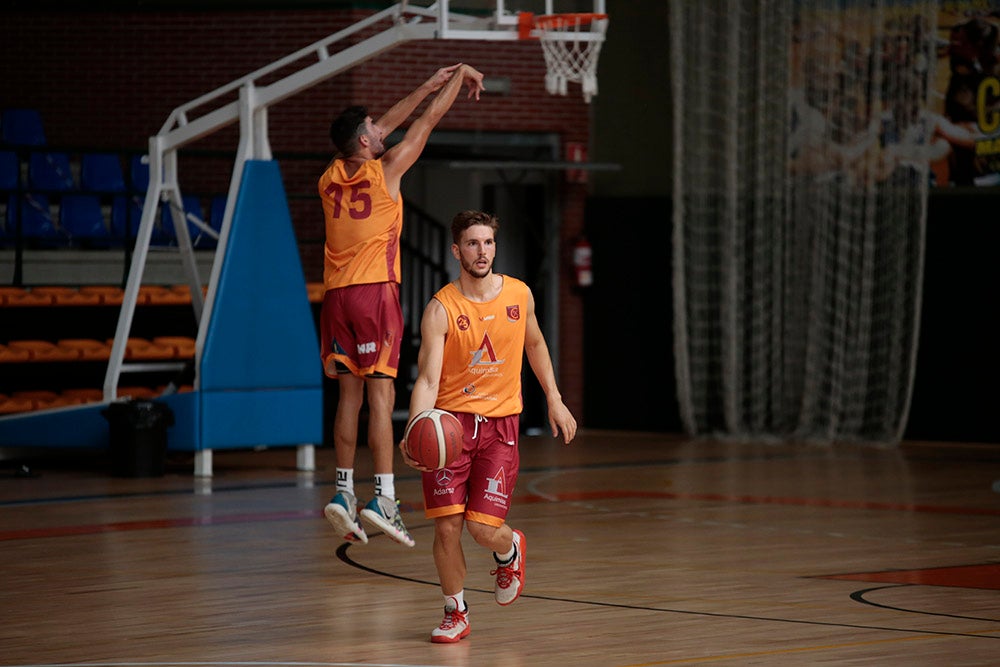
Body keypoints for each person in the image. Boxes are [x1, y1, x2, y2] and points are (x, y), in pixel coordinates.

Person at [320, 64, 486, 548]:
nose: (381, 129)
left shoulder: (330, 176)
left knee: (347, 398)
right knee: (381, 397)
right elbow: (426, 122)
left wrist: (430, 81)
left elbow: (380, 128)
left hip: (335, 298)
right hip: (375, 295)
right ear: (367, 143)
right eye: (374, 129)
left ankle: (343, 492)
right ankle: (385, 499)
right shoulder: (387, 171)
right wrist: (455, 82)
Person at [400, 209, 577, 643]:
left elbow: (535, 343)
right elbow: (427, 379)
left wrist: (554, 399)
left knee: (481, 530)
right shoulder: (441, 308)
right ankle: (455, 611)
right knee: (446, 526)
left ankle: (509, 547)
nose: (482, 251)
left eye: (489, 243)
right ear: (456, 250)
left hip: (500, 428)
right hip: (449, 429)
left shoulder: (519, 295)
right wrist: (415, 427)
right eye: (474, 243)